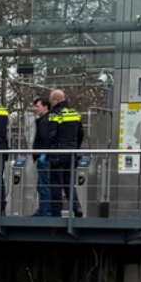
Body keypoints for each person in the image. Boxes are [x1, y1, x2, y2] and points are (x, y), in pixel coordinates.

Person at [48, 88, 85, 217]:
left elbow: (51, 135)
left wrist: (47, 151)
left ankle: (56, 211)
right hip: (72, 153)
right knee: (69, 183)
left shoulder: (55, 114)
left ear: (55, 100)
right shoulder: (75, 114)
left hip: (58, 153)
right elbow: (81, 134)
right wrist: (75, 148)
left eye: (51, 101)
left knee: (56, 182)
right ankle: (77, 208)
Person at [31, 98, 55, 217]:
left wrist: (42, 154)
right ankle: (43, 209)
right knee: (42, 185)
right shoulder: (45, 120)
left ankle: (45, 210)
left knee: (43, 185)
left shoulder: (44, 121)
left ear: (46, 107)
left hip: (44, 157)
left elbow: (45, 139)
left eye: (38, 106)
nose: (36, 109)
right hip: (43, 156)